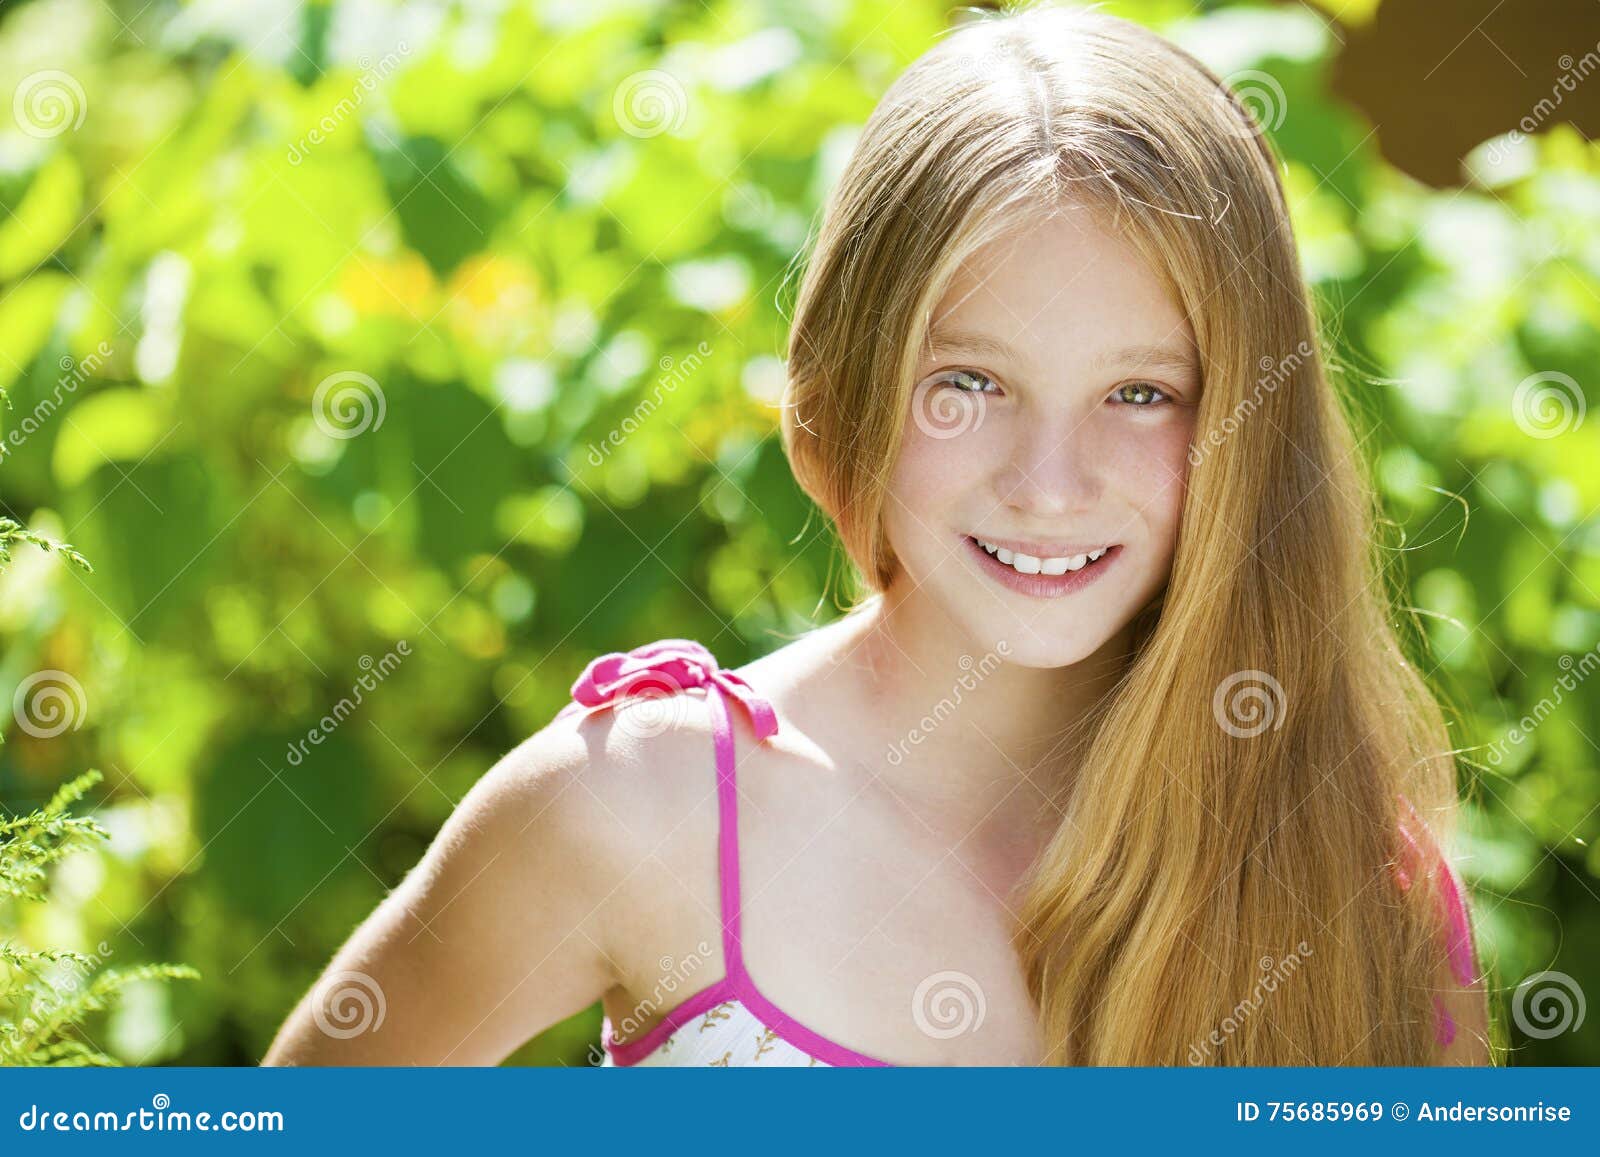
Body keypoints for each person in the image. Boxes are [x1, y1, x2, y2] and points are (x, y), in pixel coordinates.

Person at [263, 2, 1490, 1068]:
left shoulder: (1350, 880)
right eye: (966, 382)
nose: (1047, 484)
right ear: (844, 390)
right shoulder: (637, 804)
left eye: (1140, 392)